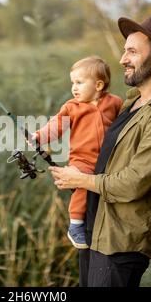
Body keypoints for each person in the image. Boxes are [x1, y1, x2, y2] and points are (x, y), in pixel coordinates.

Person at [48, 15, 151, 287]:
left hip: (122, 241)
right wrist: (75, 172)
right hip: (98, 227)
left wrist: (80, 180)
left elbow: (134, 182)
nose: (122, 59)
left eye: (132, 51)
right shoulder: (131, 102)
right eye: (124, 50)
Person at [32, 56, 122, 249]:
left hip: (108, 160)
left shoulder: (114, 103)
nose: (74, 88)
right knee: (81, 183)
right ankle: (75, 225)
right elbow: (56, 126)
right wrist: (39, 137)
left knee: (107, 189)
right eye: (73, 83)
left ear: (98, 85)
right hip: (82, 159)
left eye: (79, 83)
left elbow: (125, 124)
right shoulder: (72, 107)